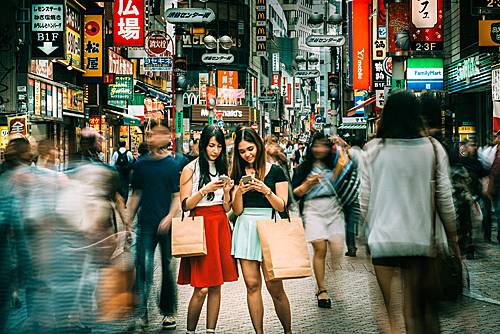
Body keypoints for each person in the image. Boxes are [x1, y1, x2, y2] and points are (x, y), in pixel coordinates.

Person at [360, 91, 459, 333]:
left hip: (383, 240)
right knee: (413, 312)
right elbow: (446, 197)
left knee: (388, 311)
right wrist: (453, 237)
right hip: (419, 240)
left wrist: (368, 231)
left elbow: (364, 200)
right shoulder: (432, 149)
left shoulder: (372, 150)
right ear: (417, 115)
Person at [230, 127, 292, 334]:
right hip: (245, 226)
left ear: (258, 145)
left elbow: (282, 206)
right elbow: (236, 210)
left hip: (270, 226)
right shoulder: (236, 174)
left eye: (250, 148)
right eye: (242, 151)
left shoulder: (275, 171)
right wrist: (239, 191)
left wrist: (265, 190)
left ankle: (288, 331)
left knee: (275, 287)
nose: (247, 154)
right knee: (252, 285)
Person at [177, 125, 238, 334]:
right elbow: (185, 205)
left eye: (219, 146)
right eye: (212, 145)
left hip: (219, 224)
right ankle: (190, 331)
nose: (215, 150)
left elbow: (227, 207)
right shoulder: (190, 169)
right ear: (203, 145)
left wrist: (228, 191)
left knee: (215, 285)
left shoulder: (222, 168)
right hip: (200, 226)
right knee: (201, 287)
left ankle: (210, 330)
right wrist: (205, 190)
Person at [126, 124, 180, 330]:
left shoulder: (172, 165)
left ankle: (168, 312)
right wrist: (127, 221)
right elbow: (136, 195)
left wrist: (169, 217)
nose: (154, 137)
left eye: (160, 134)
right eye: (151, 134)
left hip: (166, 225)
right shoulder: (140, 165)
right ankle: (141, 312)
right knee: (142, 266)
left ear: (167, 137)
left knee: (167, 268)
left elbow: (176, 197)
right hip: (146, 224)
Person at [292, 132, 344, 309]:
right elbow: (295, 194)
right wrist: (307, 184)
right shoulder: (303, 168)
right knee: (320, 248)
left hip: (333, 206)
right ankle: (322, 289)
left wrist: (342, 144)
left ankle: (328, 278)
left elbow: (348, 163)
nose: (320, 149)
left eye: (324, 145)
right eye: (317, 145)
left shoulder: (333, 164)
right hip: (313, 208)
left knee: (337, 247)